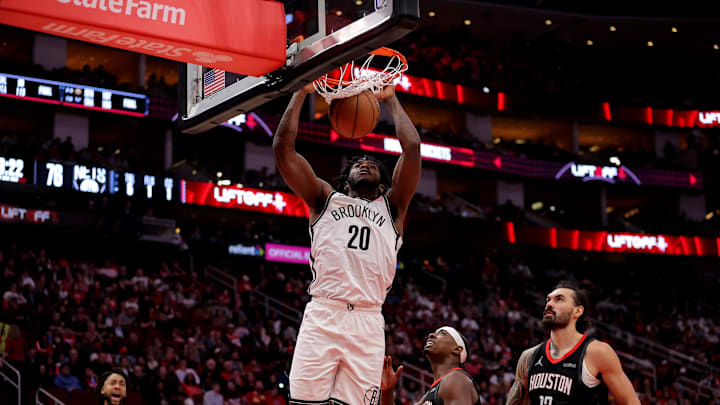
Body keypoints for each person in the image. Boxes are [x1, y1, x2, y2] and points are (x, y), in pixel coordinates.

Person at [273, 83, 421, 405]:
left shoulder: (392, 208)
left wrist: (390, 99)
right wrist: (299, 92)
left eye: (371, 163)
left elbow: (412, 149)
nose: (364, 162)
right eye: (357, 162)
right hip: (324, 313)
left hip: (367, 321)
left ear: (383, 184)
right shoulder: (324, 198)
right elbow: (283, 149)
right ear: (345, 180)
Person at [505, 282, 640, 405]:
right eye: (548, 300)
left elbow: (630, 401)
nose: (549, 304)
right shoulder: (528, 357)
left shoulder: (597, 352)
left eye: (559, 299)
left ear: (578, 311)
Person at [381, 326, 481, 405]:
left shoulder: (457, 379)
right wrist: (387, 392)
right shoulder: (431, 393)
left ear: (457, 349)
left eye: (442, 333)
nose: (431, 335)